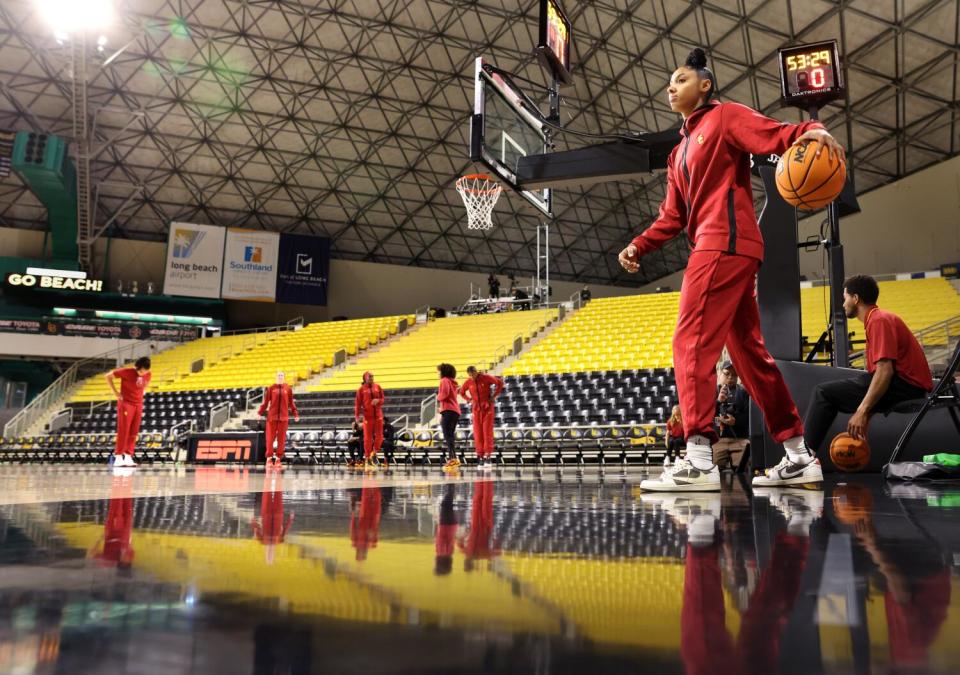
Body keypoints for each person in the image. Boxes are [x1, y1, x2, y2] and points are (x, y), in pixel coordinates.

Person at [617, 48, 844, 492]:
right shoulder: (677, 153)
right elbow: (672, 215)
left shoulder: (723, 117)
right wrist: (639, 244)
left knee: (691, 339)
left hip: (724, 243)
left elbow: (776, 135)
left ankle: (699, 457)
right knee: (749, 357)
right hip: (721, 246)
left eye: (680, 79)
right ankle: (799, 455)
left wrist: (814, 129)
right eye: (669, 81)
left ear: (704, 85)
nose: (671, 86)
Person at [755, 275, 933, 486]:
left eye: (844, 297)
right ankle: (802, 460)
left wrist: (862, 411)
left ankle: (801, 462)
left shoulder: (879, 319)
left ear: (856, 298)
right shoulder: (876, 320)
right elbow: (878, 378)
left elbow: (885, 372)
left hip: (906, 386)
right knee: (832, 391)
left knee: (824, 393)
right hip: (904, 385)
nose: (843, 303)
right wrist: (866, 415)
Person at [106, 356, 152, 467]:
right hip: (126, 403)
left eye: (145, 371)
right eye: (140, 371)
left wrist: (141, 392)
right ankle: (118, 457)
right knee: (124, 429)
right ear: (137, 367)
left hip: (138, 404)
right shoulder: (127, 372)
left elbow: (144, 384)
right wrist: (116, 393)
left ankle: (128, 456)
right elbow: (108, 376)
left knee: (134, 431)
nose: (142, 373)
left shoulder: (148, 374)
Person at [459, 366, 504, 470]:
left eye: (473, 374)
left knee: (486, 432)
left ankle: (488, 456)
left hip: (487, 408)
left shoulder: (486, 377)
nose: (472, 377)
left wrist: (494, 396)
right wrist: (469, 400)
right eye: (470, 375)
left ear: (476, 372)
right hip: (476, 409)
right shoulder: (468, 382)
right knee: (478, 433)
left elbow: (500, 383)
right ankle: (480, 457)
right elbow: (461, 392)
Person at [251, 465, 294, 565]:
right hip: (278, 513)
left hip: (266, 513)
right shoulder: (280, 540)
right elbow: (286, 529)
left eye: (268, 556)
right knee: (278, 491)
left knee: (267, 491)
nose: (270, 553)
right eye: (271, 556)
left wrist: (253, 522)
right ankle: (277, 473)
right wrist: (290, 519)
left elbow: (256, 530)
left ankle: (269, 472)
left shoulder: (262, 541)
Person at [258, 371, 300, 465]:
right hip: (272, 418)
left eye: (282, 375)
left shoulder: (288, 389)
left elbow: (291, 403)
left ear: (284, 377)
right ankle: (269, 458)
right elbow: (265, 403)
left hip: (284, 418)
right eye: (278, 375)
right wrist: (260, 413)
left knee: (281, 439)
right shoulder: (271, 388)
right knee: (270, 439)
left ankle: (278, 459)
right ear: (276, 377)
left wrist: (295, 413)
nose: (280, 377)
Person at [354, 371, 385, 469]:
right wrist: (357, 417)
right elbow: (358, 404)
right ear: (365, 378)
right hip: (367, 417)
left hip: (378, 416)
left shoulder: (378, 387)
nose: (372, 378)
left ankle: (374, 453)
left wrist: (378, 401)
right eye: (370, 377)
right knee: (367, 438)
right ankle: (367, 457)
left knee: (380, 436)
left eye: (372, 376)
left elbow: (383, 399)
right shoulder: (361, 390)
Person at [716, 361, 750, 440]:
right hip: (717, 440)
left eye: (734, 375)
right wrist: (718, 401)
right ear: (720, 373)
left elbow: (749, 417)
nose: (730, 377)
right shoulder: (712, 392)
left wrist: (735, 421)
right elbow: (707, 415)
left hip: (739, 440)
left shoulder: (743, 392)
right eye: (727, 374)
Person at [437, 363, 461, 471]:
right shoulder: (452, 382)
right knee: (450, 435)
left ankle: (453, 459)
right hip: (454, 410)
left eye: (439, 371)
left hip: (448, 410)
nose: (438, 373)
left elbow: (445, 394)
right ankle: (453, 459)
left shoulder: (444, 380)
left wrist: (438, 396)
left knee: (448, 435)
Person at [435, 484, 458, 576]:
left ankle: (451, 486)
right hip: (446, 525)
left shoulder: (449, 553)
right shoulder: (442, 552)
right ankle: (451, 485)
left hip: (451, 526)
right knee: (445, 504)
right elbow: (442, 538)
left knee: (448, 505)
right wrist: (439, 525)